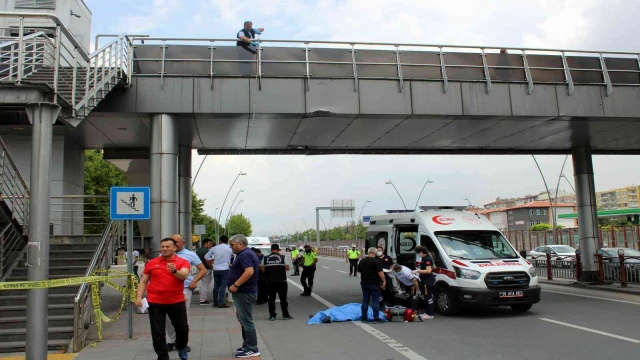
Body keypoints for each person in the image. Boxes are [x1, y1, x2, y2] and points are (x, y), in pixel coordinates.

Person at [136, 238, 190, 360]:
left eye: (168, 247)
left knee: (182, 329)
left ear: (175, 248)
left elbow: (184, 275)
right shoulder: (152, 262)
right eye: (163, 247)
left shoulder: (182, 262)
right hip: (155, 302)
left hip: (176, 301)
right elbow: (143, 281)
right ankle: (162, 356)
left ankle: (181, 347)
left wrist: (175, 271)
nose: (165, 249)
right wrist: (139, 297)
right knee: (158, 332)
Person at [166, 234, 207, 352]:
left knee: (182, 317)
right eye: (172, 241)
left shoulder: (190, 255)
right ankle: (170, 341)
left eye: (176, 242)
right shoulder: (165, 254)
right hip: (167, 290)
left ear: (182, 242)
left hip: (183, 289)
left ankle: (182, 342)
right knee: (168, 317)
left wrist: (194, 281)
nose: (174, 244)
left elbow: (203, 270)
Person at [228, 234, 261, 358]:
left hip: (244, 292)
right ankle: (247, 345)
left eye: (232, 245)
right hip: (244, 292)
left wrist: (236, 285)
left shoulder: (245, 254)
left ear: (240, 244)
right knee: (243, 320)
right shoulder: (246, 254)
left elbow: (249, 271)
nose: (231, 247)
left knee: (246, 321)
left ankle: (252, 348)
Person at [260, 244, 293, 321]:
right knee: (283, 299)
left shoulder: (265, 258)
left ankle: (272, 316)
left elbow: (263, 269)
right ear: (278, 249)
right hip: (282, 281)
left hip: (270, 282)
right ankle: (285, 315)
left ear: (271, 250)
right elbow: (287, 268)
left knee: (271, 299)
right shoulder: (283, 257)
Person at [358, 247, 386, 323]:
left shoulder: (362, 261)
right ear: (375, 253)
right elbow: (380, 272)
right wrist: (384, 281)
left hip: (364, 283)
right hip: (374, 283)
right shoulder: (377, 261)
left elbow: (359, 271)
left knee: (365, 300)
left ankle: (364, 318)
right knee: (375, 301)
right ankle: (376, 318)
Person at [204, 235, 233, 308]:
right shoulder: (230, 248)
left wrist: (211, 260)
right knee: (223, 286)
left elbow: (206, 256)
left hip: (216, 269)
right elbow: (236, 256)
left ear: (220, 241)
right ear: (227, 241)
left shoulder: (214, 248)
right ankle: (221, 302)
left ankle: (215, 302)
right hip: (225, 268)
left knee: (216, 286)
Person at [413, 246, 436, 320]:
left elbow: (429, 270)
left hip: (428, 280)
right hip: (424, 280)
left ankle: (430, 314)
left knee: (428, 297)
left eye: (418, 253)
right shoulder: (424, 258)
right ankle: (426, 312)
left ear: (421, 252)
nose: (418, 255)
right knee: (425, 297)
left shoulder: (427, 259)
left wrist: (417, 271)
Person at [196, 239, 214, 305]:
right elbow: (208, 261)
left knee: (203, 284)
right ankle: (203, 300)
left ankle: (202, 298)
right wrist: (212, 267)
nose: (211, 245)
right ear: (205, 243)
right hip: (206, 269)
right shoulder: (206, 251)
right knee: (205, 285)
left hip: (199, 268)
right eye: (210, 243)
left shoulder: (198, 251)